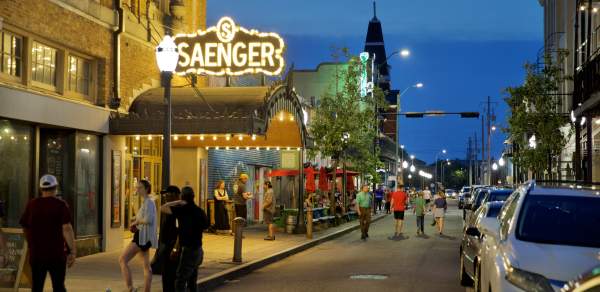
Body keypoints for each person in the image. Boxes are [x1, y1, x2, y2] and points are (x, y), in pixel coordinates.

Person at [20, 174, 76, 292]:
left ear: (41, 189)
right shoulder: (61, 205)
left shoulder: (32, 205)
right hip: (56, 254)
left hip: (36, 254)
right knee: (58, 286)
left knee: (37, 286)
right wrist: (72, 252)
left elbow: (24, 227)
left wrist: (30, 243)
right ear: (56, 188)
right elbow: (66, 228)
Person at [161, 187, 209, 292]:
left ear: (182, 197)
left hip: (188, 249)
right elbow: (206, 226)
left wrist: (178, 201)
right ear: (193, 197)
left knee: (180, 279)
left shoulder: (181, 210)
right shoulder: (200, 211)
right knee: (192, 279)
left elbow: (163, 207)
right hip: (198, 249)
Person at [119, 180, 157, 292]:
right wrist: (135, 221)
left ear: (146, 189)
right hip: (143, 236)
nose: (137, 190)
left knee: (122, 260)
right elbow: (144, 218)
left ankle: (130, 288)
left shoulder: (149, 202)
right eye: (137, 187)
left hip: (142, 238)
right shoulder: (146, 202)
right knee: (147, 267)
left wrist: (136, 222)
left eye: (140, 187)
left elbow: (148, 219)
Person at [153, 185, 180, 292]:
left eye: (167, 194)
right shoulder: (171, 208)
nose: (164, 196)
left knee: (170, 275)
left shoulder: (177, 209)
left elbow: (180, 232)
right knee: (166, 276)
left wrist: (175, 248)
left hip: (172, 246)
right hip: (166, 246)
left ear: (174, 195)